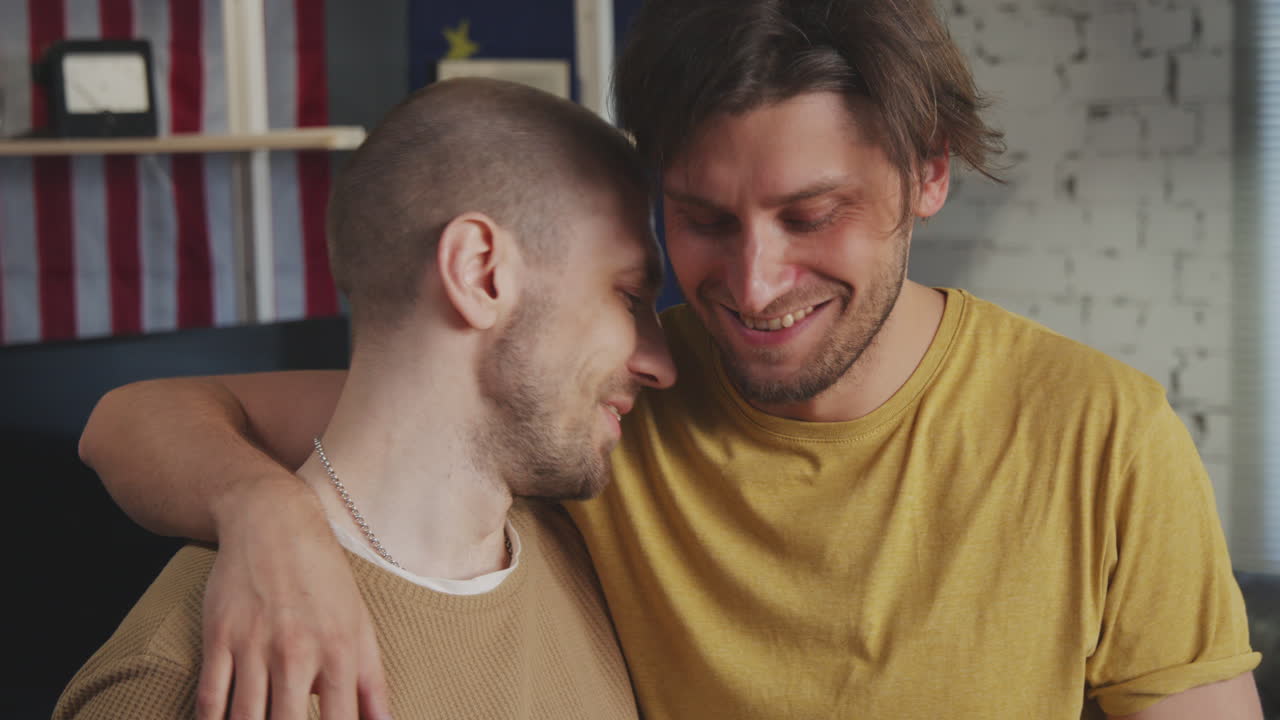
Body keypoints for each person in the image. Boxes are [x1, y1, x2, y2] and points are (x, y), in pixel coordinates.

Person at [79, 0, 1263, 718]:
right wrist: (263, 516)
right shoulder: (601, 400)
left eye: (810, 216)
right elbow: (148, 412)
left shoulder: (1101, 434)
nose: (746, 288)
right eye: (698, 220)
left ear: (927, 174)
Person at [55, 77, 675, 720]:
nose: (662, 364)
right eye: (629, 297)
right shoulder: (179, 677)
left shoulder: (580, 553)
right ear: (480, 273)